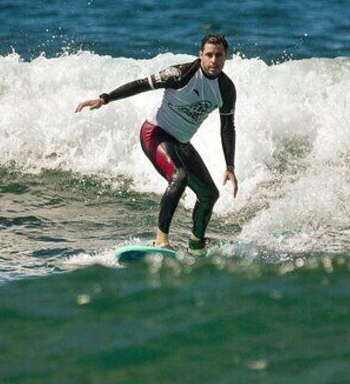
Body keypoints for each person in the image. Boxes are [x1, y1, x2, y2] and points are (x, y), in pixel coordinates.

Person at [75, 34, 238, 255]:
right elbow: (142, 84)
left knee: (210, 195)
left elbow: (227, 126)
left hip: (181, 142)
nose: (213, 61)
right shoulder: (181, 74)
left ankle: (196, 245)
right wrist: (105, 98)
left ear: (225, 57)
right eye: (209, 55)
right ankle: (160, 241)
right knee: (179, 177)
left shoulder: (226, 89)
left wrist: (230, 166)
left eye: (219, 56)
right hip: (155, 134)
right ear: (200, 55)